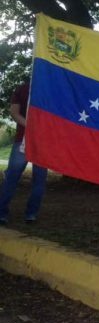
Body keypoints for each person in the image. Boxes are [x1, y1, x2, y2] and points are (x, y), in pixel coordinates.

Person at [0, 79, 49, 225]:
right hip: (40, 140)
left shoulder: (22, 88)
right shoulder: (49, 90)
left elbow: (14, 113)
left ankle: (2, 213)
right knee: (39, 180)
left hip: (24, 139)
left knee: (12, 177)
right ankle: (31, 214)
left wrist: (29, 126)